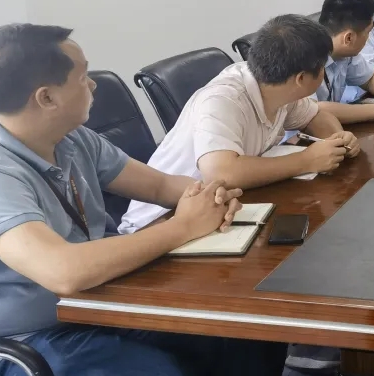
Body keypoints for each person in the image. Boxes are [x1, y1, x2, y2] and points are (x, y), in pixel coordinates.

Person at [0, 24, 305, 376]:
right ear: (46, 98)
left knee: (224, 339)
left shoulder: (71, 140)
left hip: (95, 307)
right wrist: (183, 227)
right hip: (20, 345)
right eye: (83, 77)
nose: (92, 85)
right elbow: (63, 272)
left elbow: (161, 185)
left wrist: (209, 196)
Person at [121, 15, 356, 233]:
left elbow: (315, 115)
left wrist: (336, 141)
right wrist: (306, 160)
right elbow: (222, 172)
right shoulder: (223, 98)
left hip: (218, 208)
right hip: (159, 220)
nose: (324, 71)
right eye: (322, 67)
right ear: (301, 78)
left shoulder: (278, 87)